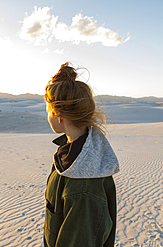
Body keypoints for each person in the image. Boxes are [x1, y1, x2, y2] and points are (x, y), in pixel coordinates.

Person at [43, 62, 120, 247]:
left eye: (47, 110)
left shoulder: (82, 185)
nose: (47, 116)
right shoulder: (71, 157)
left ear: (58, 114)